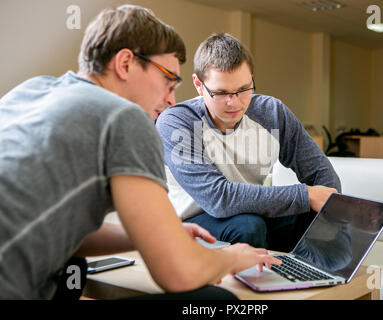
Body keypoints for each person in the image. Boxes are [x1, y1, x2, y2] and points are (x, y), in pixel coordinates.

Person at [0, 6, 280, 300]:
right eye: (168, 79)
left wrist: (161, 235)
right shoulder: (124, 116)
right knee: (217, 300)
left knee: (74, 266)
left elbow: (61, 231)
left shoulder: (30, 91)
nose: (171, 100)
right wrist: (234, 257)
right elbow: (179, 274)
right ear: (125, 63)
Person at [156, 33, 341, 253]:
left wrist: (332, 209)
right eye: (221, 92)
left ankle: (308, 279)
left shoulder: (272, 113)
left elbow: (320, 173)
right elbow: (218, 198)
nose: (234, 103)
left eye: (244, 89)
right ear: (198, 84)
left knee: (315, 216)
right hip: (194, 221)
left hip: (252, 213)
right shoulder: (176, 122)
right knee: (248, 227)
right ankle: (255, 284)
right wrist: (306, 194)